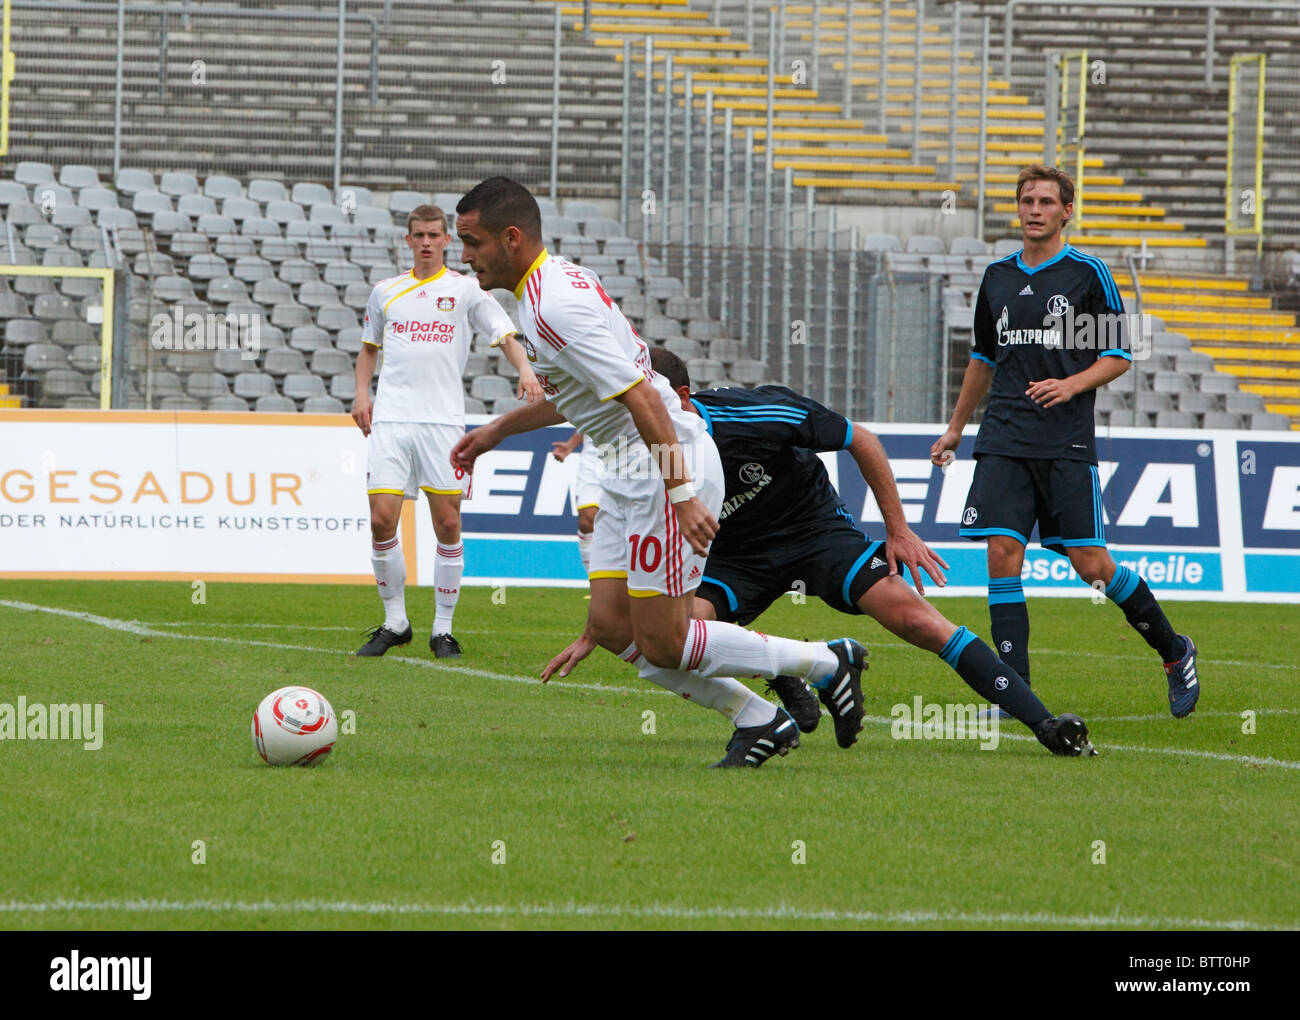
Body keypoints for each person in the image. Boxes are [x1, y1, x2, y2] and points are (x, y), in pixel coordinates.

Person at [449, 176, 867, 768]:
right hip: (627, 468)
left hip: (658, 469)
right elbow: (582, 393)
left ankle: (828, 661)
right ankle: (761, 718)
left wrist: (681, 493)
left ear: (511, 237)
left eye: (472, 241)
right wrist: (496, 431)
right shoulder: (546, 287)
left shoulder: (552, 305)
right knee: (613, 627)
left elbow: (645, 398)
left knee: (666, 642)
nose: (464, 257)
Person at [543, 348, 1097, 757]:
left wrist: (898, 530)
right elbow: (625, 543)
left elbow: (862, 440)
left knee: (917, 621)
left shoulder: (759, 414)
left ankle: (1046, 724)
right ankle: (787, 672)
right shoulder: (646, 447)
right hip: (737, 557)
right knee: (674, 633)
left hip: (815, 532)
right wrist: (600, 625)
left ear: (682, 398)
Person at [930, 164, 1200, 718]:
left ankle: (1175, 652)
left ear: (1066, 211)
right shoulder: (998, 277)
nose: (1034, 209)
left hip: (1064, 443)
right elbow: (982, 359)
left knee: (1091, 565)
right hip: (1003, 435)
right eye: (1027, 200)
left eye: (1046, 201)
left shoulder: (1087, 274)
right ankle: (1014, 694)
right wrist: (956, 427)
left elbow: (1119, 355)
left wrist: (1070, 384)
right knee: (1002, 555)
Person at [352, 203, 541, 659]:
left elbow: (505, 336)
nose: (426, 243)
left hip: (442, 422)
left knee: (448, 524)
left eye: (434, 235)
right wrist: (362, 395)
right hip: (393, 420)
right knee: (381, 520)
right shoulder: (386, 292)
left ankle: (442, 628)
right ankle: (395, 621)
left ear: (446, 240)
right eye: (419, 235)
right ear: (408, 240)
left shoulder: (467, 291)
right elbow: (368, 349)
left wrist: (526, 372)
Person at [550, 430, 602, 574]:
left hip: (628, 452)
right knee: (586, 521)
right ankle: (595, 584)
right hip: (593, 455)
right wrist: (571, 444)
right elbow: (589, 414)